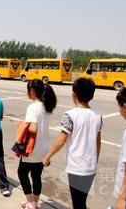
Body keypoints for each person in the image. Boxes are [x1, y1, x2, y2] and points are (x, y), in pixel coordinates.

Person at [43, 78, 102, 209]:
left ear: (74, 95)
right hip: (90, 166)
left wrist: (47, 157)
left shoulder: (70, 114)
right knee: (81, 201)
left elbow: (61, 140)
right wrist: (95, 160)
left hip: (76, 167)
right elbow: (98, 142)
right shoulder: (97, 115)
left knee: (78, 202)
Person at [17, 79, 56, 209]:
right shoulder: (46, 106)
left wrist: (22, 126)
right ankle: (35, 202)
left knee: (22, 173)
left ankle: (31, 203)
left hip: (32, 149)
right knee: (36, 176)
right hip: (43, 148)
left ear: (32, 91)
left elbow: (33, 129)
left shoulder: (33, 107)